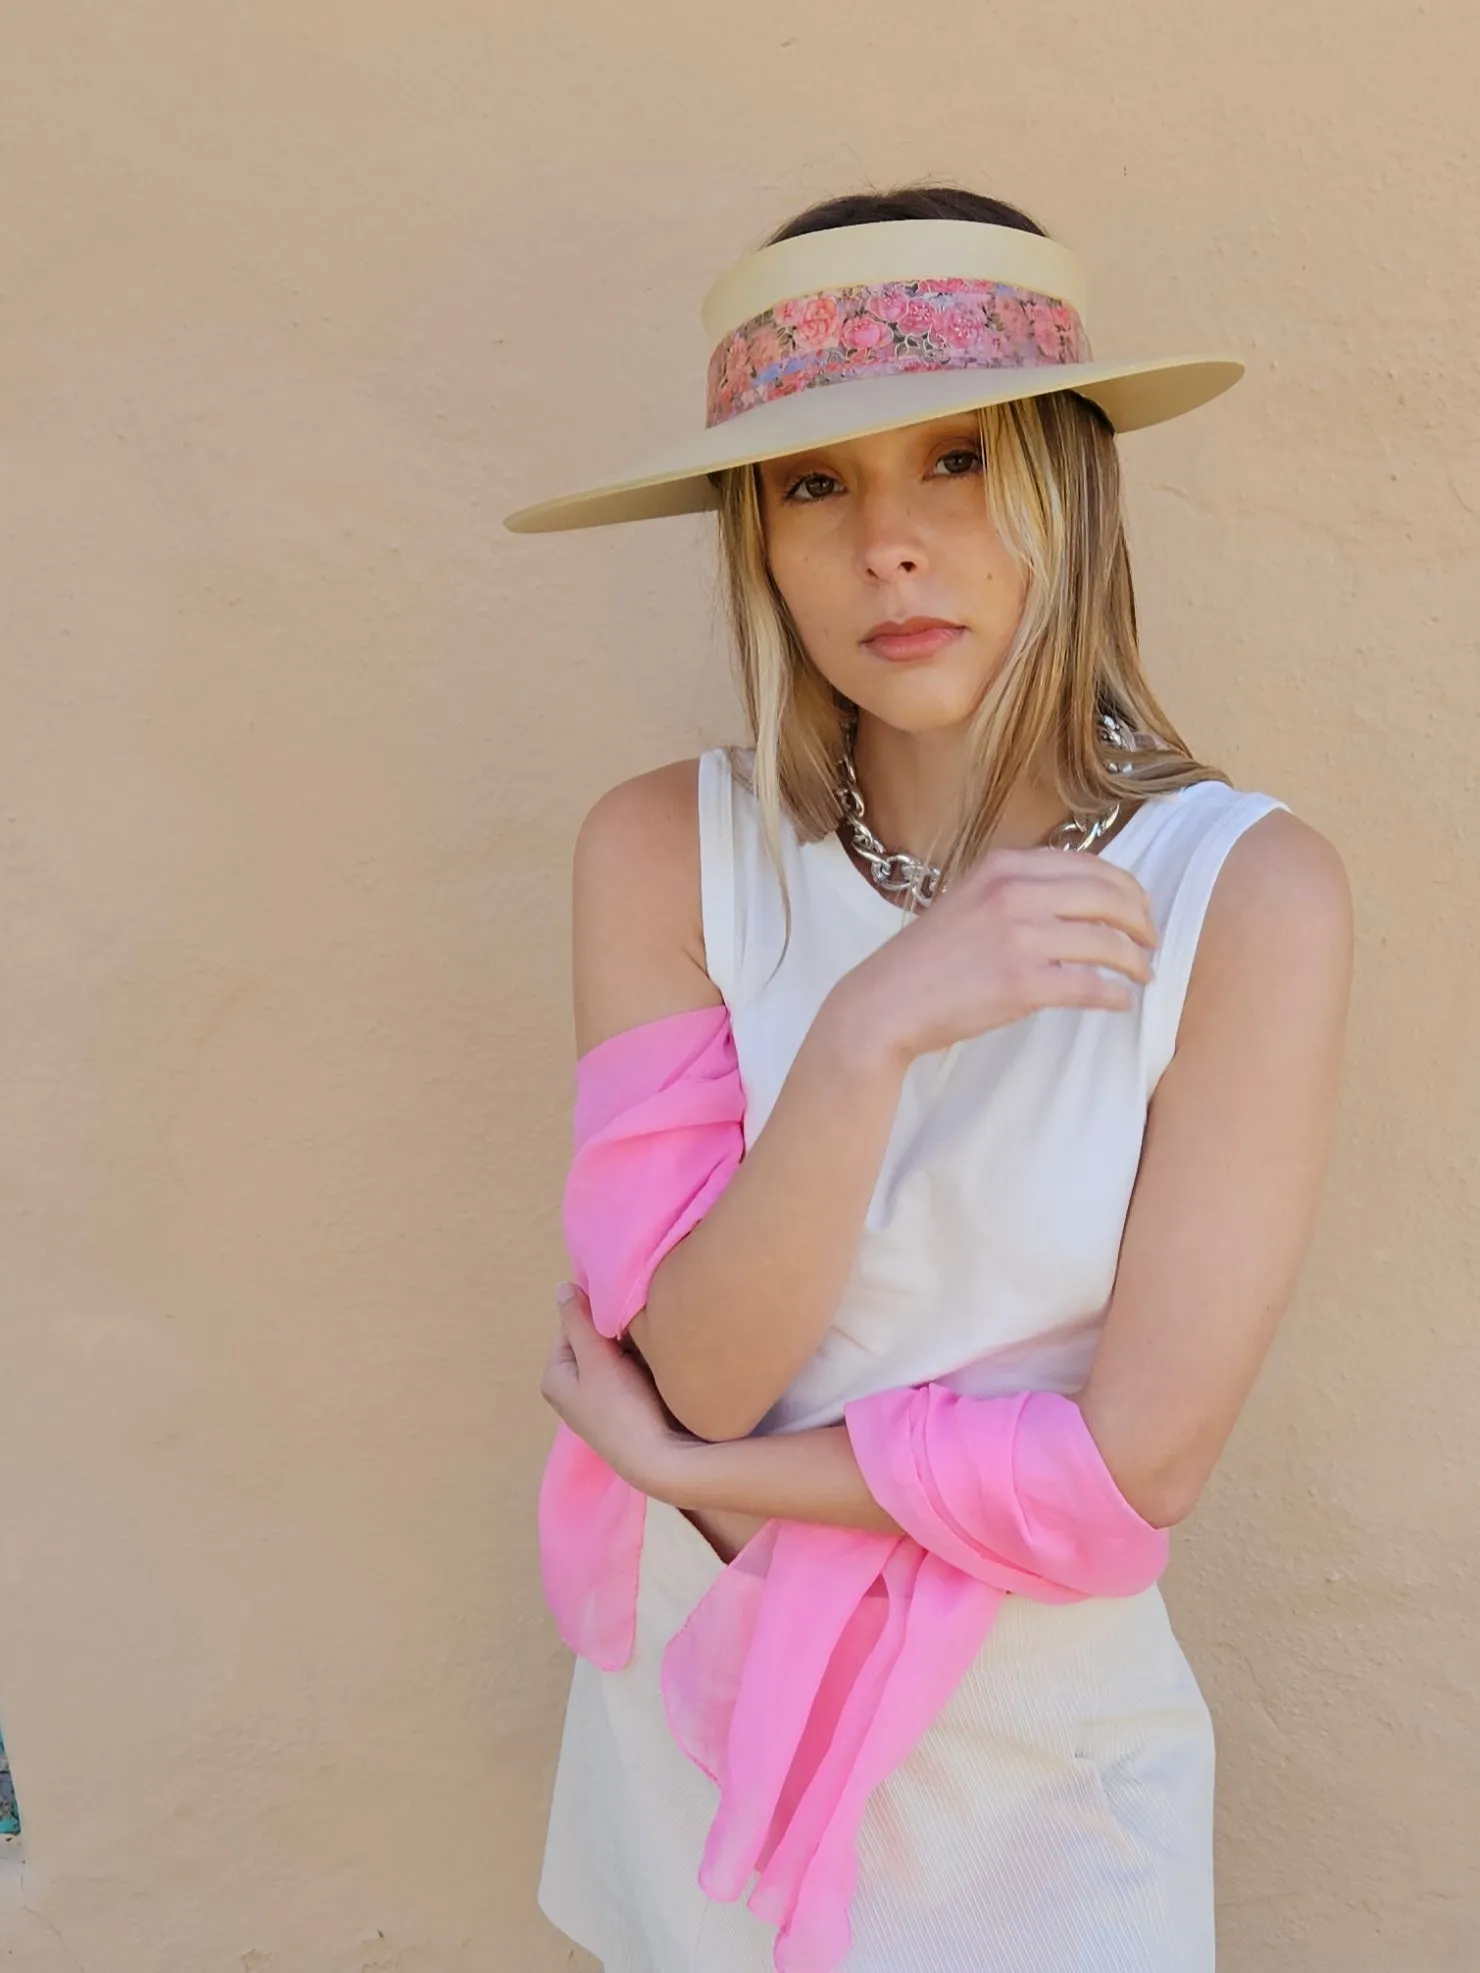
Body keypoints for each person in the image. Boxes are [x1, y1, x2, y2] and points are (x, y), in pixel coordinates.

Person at [504, 185, 1353, 1972]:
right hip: (700, 1745)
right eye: (817, 482)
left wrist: (683, 1467)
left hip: (1034, 1786)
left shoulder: (1245, 895)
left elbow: (1133, 1477)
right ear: (754, 535)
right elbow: (710, 1367)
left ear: (1069, 487)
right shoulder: (668, 854)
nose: (891, 543)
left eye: (957, 462)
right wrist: (875, 1026)